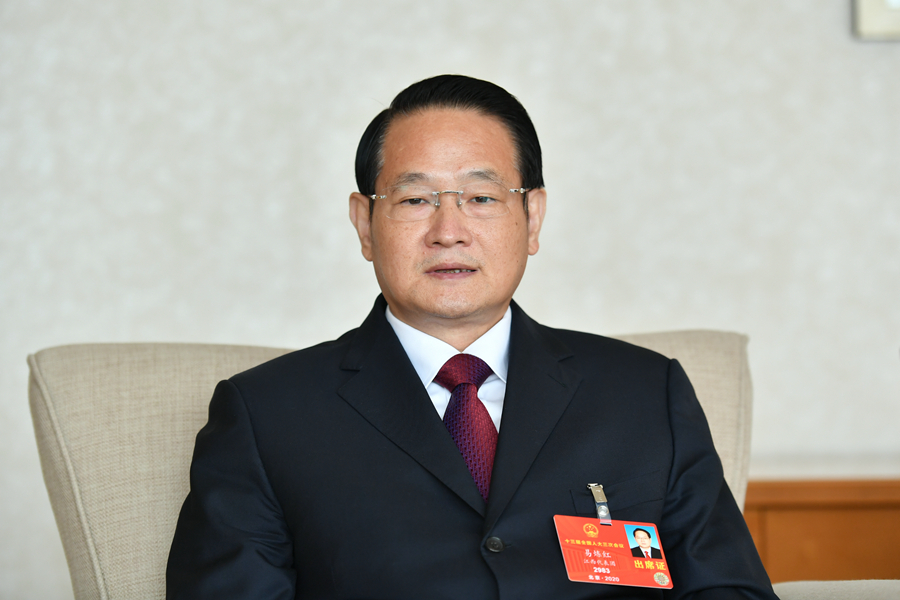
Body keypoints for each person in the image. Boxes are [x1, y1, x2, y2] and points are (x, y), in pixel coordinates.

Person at [167, 74, 778, 599]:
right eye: (415, 199)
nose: (448, 231)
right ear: (365, 225)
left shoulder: (645, 392)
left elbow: (728, 588)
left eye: (482, 197)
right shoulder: (266, 416)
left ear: (532, 218)